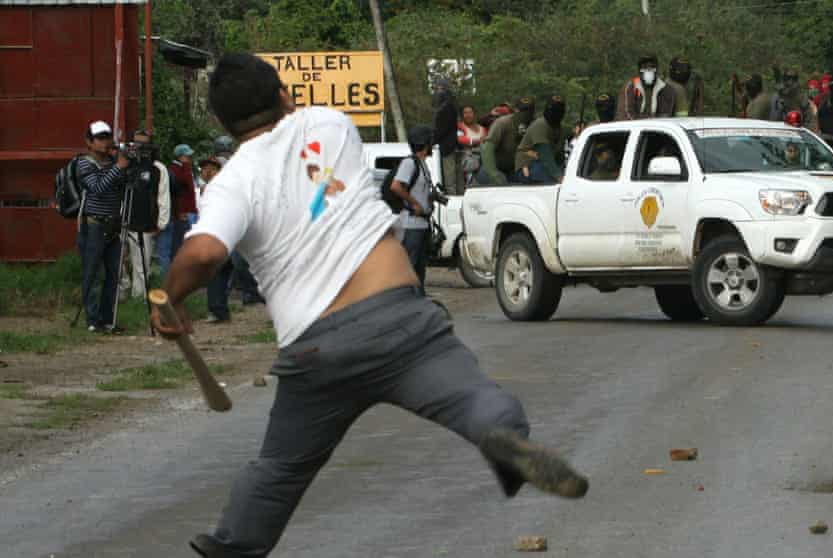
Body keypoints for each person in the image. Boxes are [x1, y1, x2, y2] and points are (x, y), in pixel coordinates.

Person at [151, 53, 588, 558]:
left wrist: (169, 297)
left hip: (317, 349)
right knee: (474, 400)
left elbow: (204, 252)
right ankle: (501, 436)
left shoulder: (233, 180)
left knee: (280, 468)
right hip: (400, 320)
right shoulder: (329, 123)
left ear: (222, 123)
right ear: (283, 95)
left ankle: (233, 547)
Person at [77, 121, 129, 333]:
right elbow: (97, 188)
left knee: (113, 274)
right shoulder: (84, 163)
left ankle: (108, 319)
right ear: (89, 142)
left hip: (113, 224)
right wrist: (118, 167)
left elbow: (124, 186)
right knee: (93, 273)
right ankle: (92, 320)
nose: (104, 142)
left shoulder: (114, 160)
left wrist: (123, 166)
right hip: (94, 225)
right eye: (99, 138)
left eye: (106, 137)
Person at [119, 129, 170, 300]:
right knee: (117, 260)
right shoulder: (126, 165)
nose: (139, 147)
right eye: (136, 143)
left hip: (145, 222)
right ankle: (122, 289)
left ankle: (139, 298)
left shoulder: (158, 168)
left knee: (141, 265)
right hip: (122, 220)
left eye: (143, 143)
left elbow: (163, 197)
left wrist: (161, 223)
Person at [390, 125, 435, 290]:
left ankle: (417, 300)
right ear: (423, 143)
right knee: (410, 269)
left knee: (419, 270)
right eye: (429, 142)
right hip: (411, 225)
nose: (432, 145)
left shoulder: (423, 165)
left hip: (421, 224)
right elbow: (396, 186)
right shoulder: (409, 163)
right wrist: (414, 203)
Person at [198, 156, 234, 323]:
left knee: (220, 273)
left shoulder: (224, 186)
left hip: (227, 233)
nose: (204, 172)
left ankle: (217, 310)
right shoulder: (207, 188)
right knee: (218, 273)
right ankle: (219, 310)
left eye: (208, 169)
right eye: (203, 169)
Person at [476, 97, 535, 185]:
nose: (525, 115)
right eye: (522, 111)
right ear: (516, 110)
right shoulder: (502, 123)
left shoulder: (534, 125)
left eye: (528, 111)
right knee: (492, 180)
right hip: (494, 166)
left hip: (515, 169)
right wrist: (494, 173)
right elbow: (487, 148)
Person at [514, 95, 566, 184]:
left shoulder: (559, 128)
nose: (555, 113)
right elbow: (545, 155)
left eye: (558, 110)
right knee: (549, 180)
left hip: (545, 163)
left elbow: (559, 154)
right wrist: (559, 177)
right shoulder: (540, 125)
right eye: (553, 109)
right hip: (528, 165)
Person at [617, 54, 675, 120]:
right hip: (635, 128)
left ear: (656, 70)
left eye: (652, 67)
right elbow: (626, 115)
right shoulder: (630, 87)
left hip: (658, 128)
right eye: (644, 68)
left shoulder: (667, 90)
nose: (648, 71)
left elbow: (665, 116)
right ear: (639, 71)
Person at [168, 144, 198, 269]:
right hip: (182, 212)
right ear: (180, 157)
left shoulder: (182, 168)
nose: (190, 159)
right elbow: (189, 186)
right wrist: (186, 167)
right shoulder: (175, 169)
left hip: (188, 210)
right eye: (188, 156)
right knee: (180, 244)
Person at [432, 78, 460, 195]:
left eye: (441, 89)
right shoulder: (446, 106)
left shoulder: (446, 107)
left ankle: (453, 201)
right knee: (448, 176)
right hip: (446, 146)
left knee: (450, 178)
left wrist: (432, 140)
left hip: (447, 147)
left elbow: (442, 129)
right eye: (438, 89)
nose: (439, 91)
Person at [457, 104, 486, 188]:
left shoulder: (482, 128)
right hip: (469, 164)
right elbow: (460, 139)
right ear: (462, 115)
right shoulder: (460, 127)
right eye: (465, 113)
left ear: (474, 114)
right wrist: (476, 141)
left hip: (483, 162)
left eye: (470, 112)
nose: (468, 115)